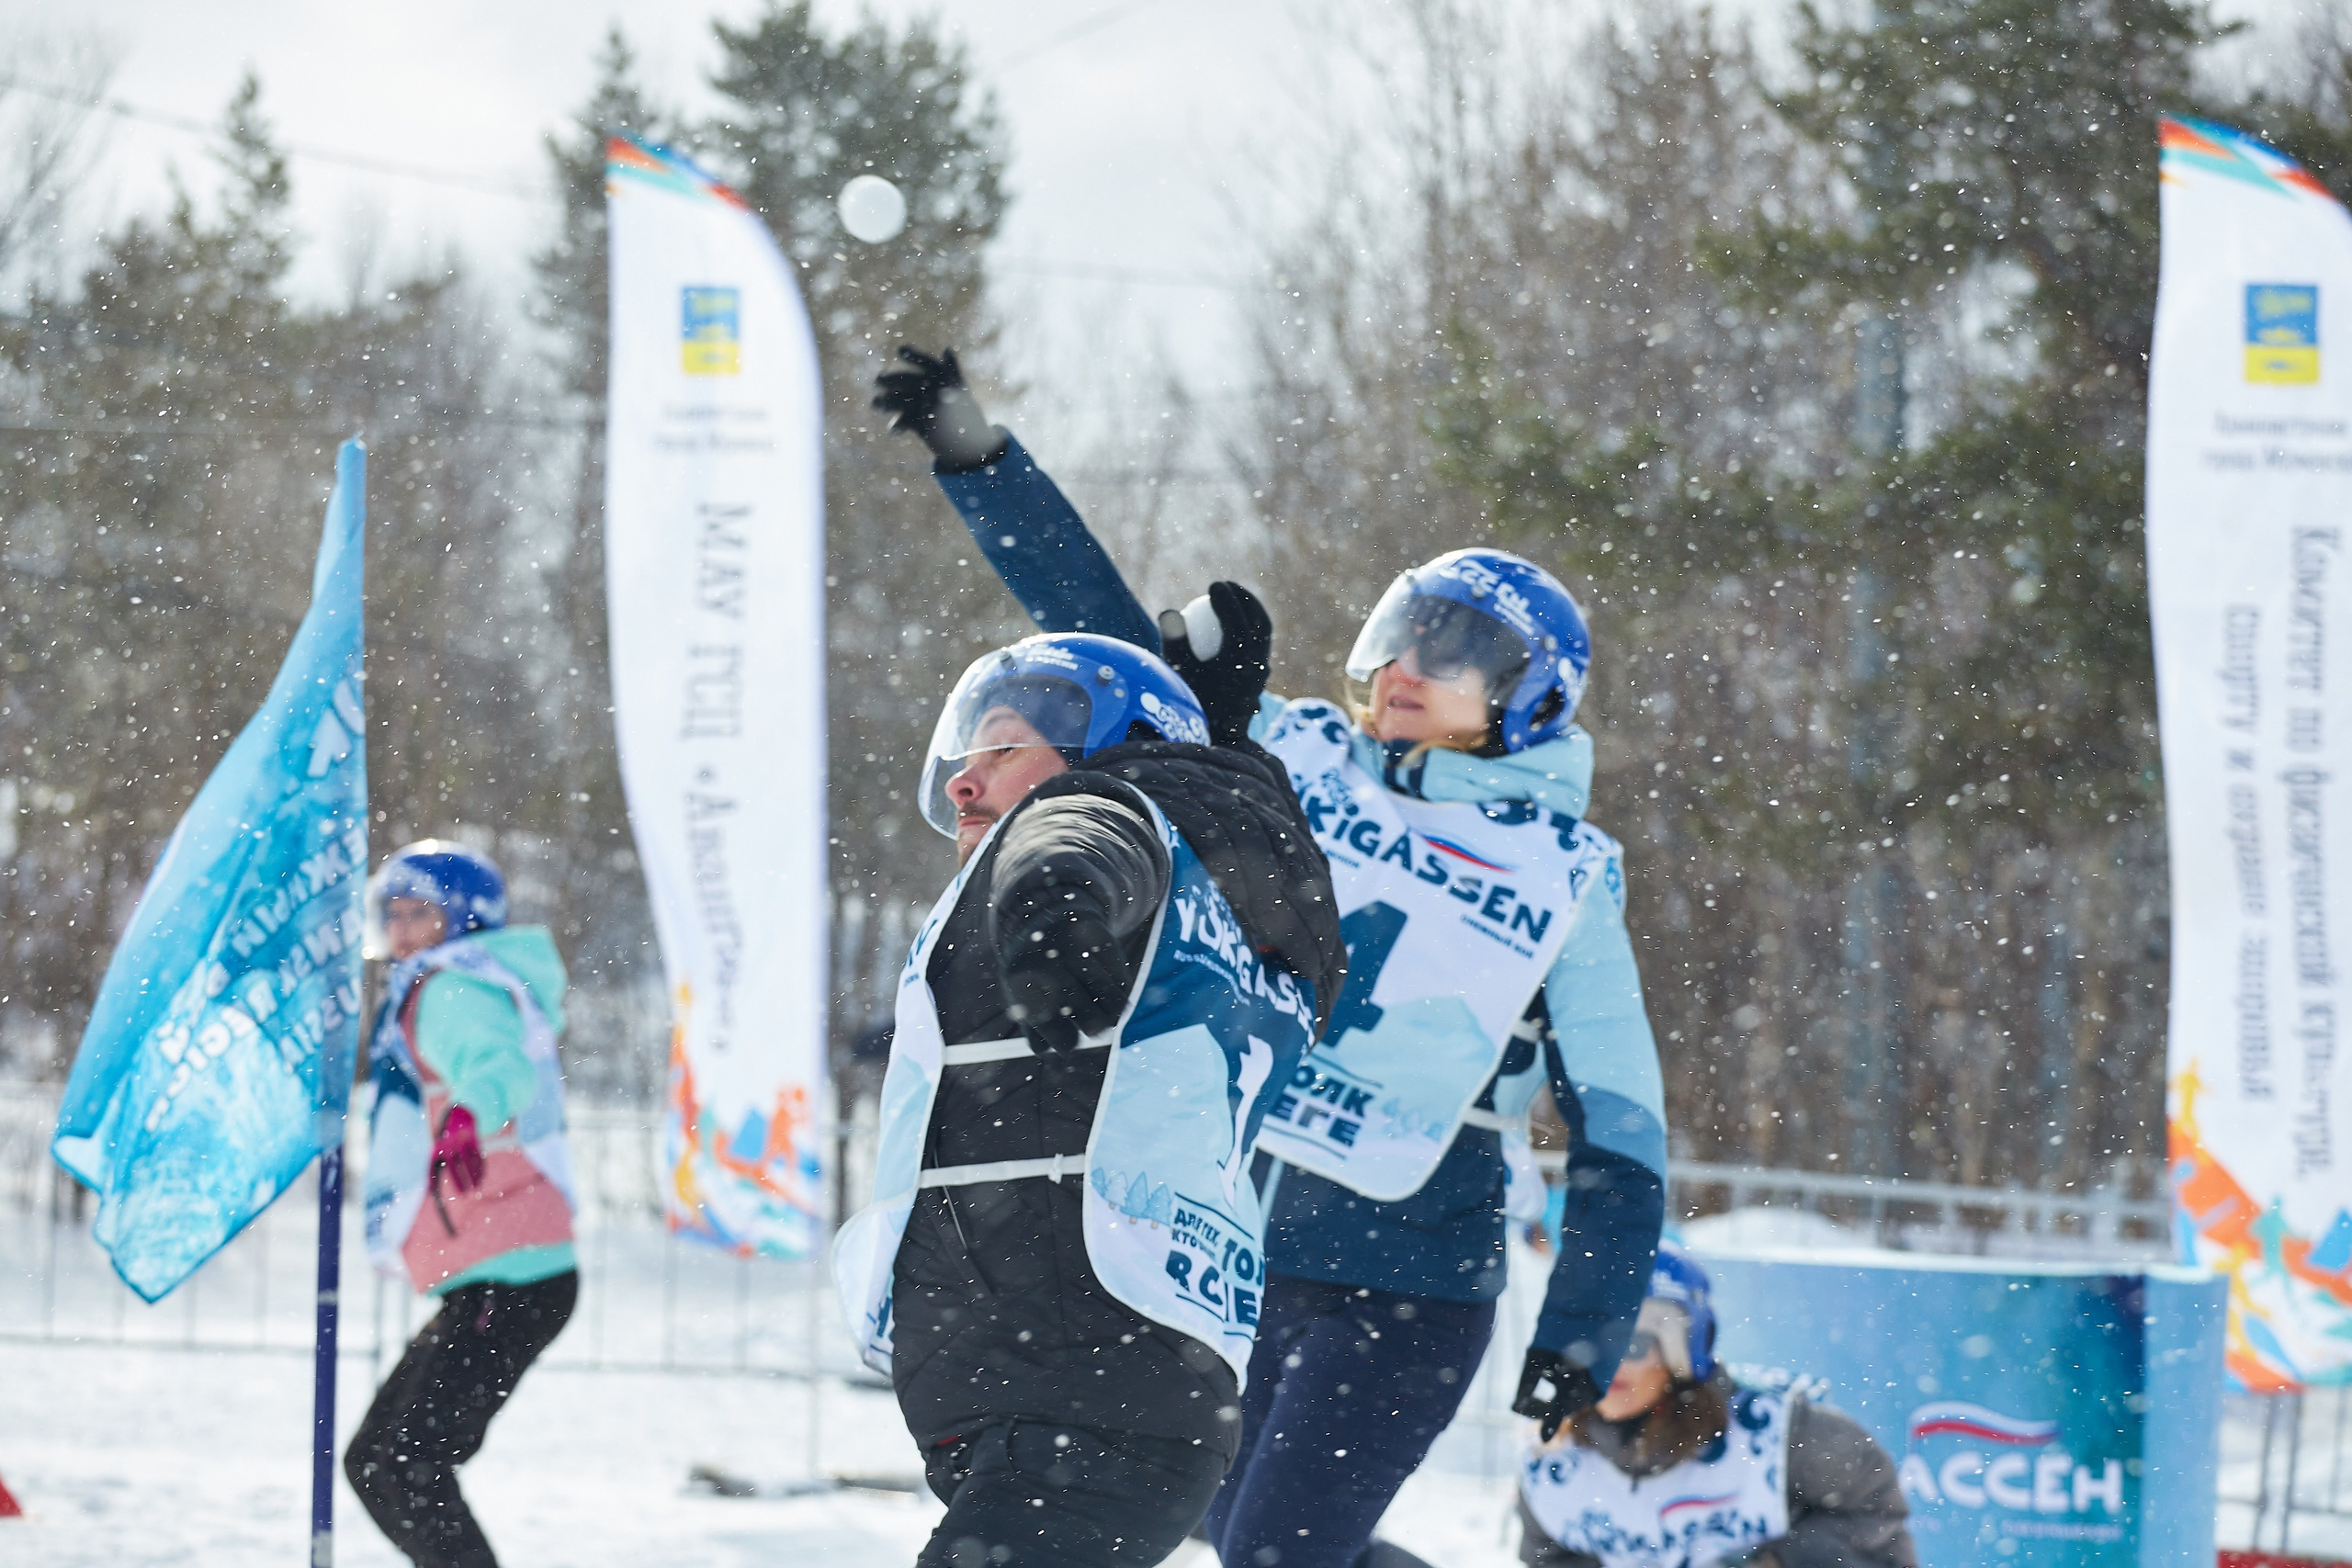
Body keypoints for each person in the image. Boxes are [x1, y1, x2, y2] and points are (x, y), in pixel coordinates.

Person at [876, 346, 1668, 1568]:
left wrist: (1584, 1329)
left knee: (1274, 1549)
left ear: (1530, 696)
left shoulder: (1566, 870)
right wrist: (984, 464)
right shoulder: (1288, 756)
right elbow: (1105, 659)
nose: (1407, 666)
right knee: (1231, 1522)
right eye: (1403, 634)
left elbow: (1622, 1129)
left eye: (1454, 650)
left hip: (1409, 1277)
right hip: (1241, 1237)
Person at [831, 632, 1346, 1568]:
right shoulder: (1220, 894)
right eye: (965, 752)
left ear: (1109, 748)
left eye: (1002, 746)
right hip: (1086, 1381)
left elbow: (1080, 840)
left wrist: (1052, 913)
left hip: (1082, 1383)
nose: (962, 780)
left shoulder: (1106, 813)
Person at [345, 840, 577, 1568]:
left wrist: (469, 1112)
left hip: (515, 1277)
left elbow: (496, 1063)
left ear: (466, 920)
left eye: (423, 913)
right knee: (380, 1464)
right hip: (494, 1277)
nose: (405, 929)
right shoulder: (439, 984)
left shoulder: (449, 987)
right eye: (395, 913)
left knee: (401, 1469)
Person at [1518, 1242, 1918, 1568]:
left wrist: (1780, 1560)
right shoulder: (1554, 1463)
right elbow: (1551, 1558)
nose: (1612, 1365)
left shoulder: (1777, 1436)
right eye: (1595, 1344)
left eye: (1635, 1344)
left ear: (1680, 1355)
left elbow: (1874, 1512)